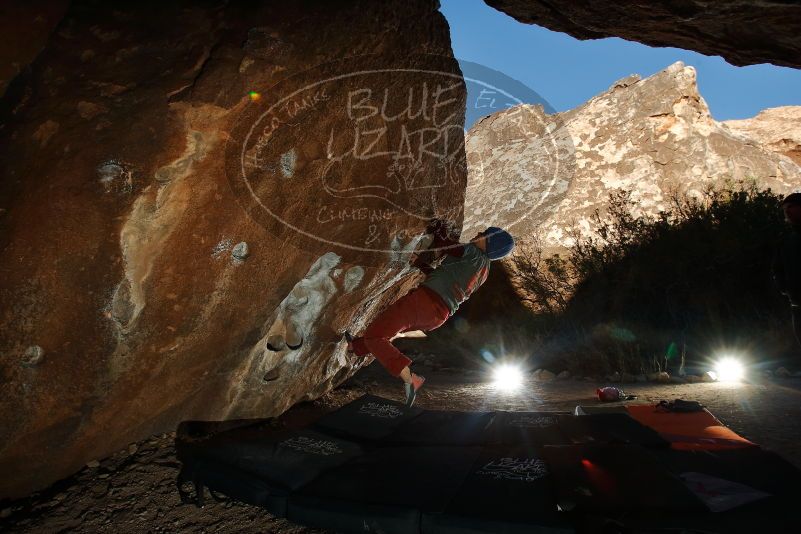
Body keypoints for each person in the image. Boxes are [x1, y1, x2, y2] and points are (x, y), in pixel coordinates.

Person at [345, 220, 515, 406]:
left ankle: (410, 378)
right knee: (389, 329)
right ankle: (356, 347)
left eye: (485, 235)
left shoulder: (473, 253)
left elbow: (447, 245)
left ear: (491, 245)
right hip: (436, 315)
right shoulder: (483, 270)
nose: (480, 233)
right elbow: (444, 277)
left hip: (425, 303)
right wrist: (420, 264)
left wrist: (439, 229)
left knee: (376, 336)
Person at [773, 192, 801, 350]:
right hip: (798, 304)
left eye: (790, 208)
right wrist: (785, 289)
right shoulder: (787, 240)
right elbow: (777, 269)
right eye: (785, 210)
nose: (787, 213)